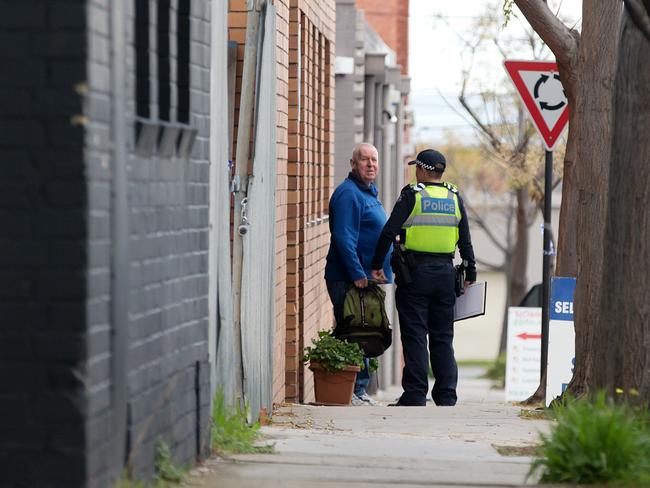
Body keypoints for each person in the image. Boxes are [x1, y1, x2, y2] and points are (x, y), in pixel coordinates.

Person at [371, 149, 476, 406]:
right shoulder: (454, 196)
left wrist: (376, 265)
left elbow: (388, 232)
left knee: (415, 334)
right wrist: (470, 270)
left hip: (415, 274)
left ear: (422, 169)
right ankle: (446, 394)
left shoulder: (412, 195)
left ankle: (416, 393)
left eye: (416, 168)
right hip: (445, 275)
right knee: (443, 335)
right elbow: (465, 239)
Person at [324, 142, 393, 406]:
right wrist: (357, 273)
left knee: (365, 331)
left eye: (374, 160)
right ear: (353, 164)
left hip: (366, 278)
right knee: (354, 332)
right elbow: (343, 237)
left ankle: (359, 390)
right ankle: (351, 390)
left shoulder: (367, 194)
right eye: (364, 160)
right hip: (349, 279)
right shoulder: (348, 194)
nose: (371, 164)